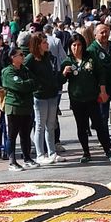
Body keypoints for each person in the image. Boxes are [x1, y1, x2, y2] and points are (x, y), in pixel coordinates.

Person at [61, 35, 111, 162]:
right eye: (74, 45)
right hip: (76, 99)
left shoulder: (90, 57)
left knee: (99, 124)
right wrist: (64, 73)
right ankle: (86, 152)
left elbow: (101, 74)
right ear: (70, 47)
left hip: (92, 98)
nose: (76, 48)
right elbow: (60, 80)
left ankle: (108, 150)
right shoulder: (67, 61)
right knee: (81, 126)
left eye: (79, 45)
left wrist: (102, 91)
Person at [27, 32, 63, 164]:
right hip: (40, 96)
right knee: (40, 125)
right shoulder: (31, 58)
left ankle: (52, 152)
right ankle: (40, 154)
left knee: (51, 125)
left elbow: (53, 72)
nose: (47, 44)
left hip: (52, 94)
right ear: (37, 44)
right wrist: (35, 84)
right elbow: (25, 71)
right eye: (44, 42)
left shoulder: (48, 56)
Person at [0, 46, 38, 169]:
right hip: (14, 107)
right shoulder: (7, 71)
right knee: (12, 134)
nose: (23, 57)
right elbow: (18, 86)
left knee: (26, 134)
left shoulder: (25, 70)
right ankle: (12, 161)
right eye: (20, 55)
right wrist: (27, 84)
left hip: (26, 106)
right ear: (13, 57)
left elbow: (35, 82)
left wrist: (27, 84)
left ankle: (27, 157)